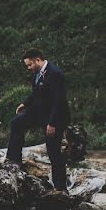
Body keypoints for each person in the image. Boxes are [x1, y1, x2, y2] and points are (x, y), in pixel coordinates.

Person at [6, 48, 70, 191]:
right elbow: (36, 93)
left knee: (53, 152)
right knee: (16, 123)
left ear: (38, 60)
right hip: (39, 113)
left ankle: (61, 189)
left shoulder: (55, 74)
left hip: (55, 117)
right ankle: (14, 159)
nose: (28, 68)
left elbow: (58, 101)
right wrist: (25, 104)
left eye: (30, 65)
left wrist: (52, 123)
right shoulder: (37, 73)